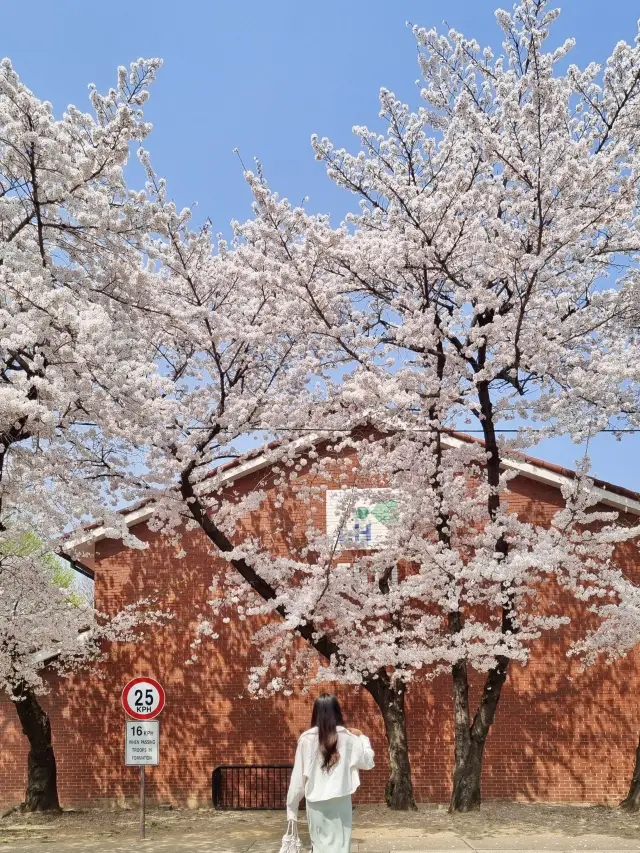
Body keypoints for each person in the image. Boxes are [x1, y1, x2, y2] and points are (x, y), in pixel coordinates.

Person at [286, 693, 375, 853]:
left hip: (315, 801)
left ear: (316, 713)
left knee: (319, 846)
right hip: (341, 800)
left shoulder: (306, 739)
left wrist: (291, 807)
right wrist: (362, 736)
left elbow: (297, 780)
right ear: (337, 712)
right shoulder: (349, 738)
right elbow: (367, 761)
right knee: (341, 846)